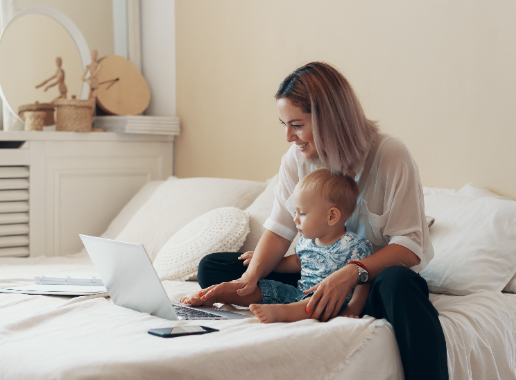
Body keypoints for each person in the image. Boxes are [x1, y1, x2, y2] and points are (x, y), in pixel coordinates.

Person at [190, 62, 448, 380]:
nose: (288, 136)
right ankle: (308, 299)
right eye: (284, 124)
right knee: (213, 268)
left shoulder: (390, 156)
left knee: (401, 283)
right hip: (313, 277)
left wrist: (352, 274)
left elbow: (410, 247)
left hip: (372, 284)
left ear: (330, 120)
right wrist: (251, 278)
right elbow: (280, 227)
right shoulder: (296, 160)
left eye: (296, 125)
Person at [180, 169, 373, 323]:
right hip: (298, 292)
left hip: (329, 302)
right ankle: (215, 296)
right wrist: (263, 260)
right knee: (264, 288)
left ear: (332, 216)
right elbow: (297, 262)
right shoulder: (307, 240)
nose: (295, 219)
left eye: (302, 214)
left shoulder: (355, 246)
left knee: (312, 304)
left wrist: (352, 309)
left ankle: (281, 313)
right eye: (295, 212)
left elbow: (363, 283)